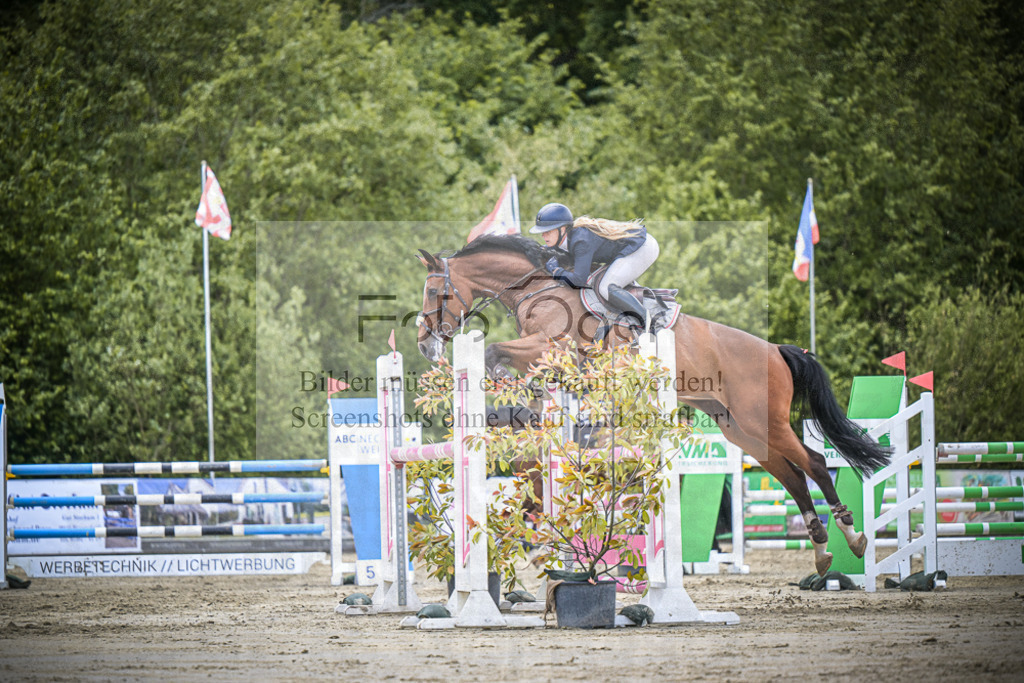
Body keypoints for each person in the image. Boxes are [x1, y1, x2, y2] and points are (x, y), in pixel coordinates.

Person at [529, 202, 659, 328]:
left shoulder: (581, 241)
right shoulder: (568, 238)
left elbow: (579, 280)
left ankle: (649, 322)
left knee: (606, 287)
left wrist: (557, 272)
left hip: (643, 247)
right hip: (632, 247)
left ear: (562, 229)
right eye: (542, 232)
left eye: (548, 231)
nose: (543, 235)